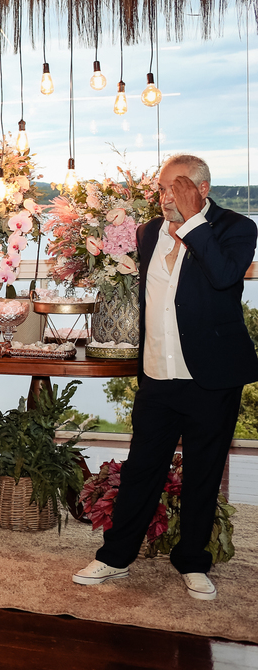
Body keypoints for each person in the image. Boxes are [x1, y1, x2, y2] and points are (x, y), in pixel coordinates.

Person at [74, 154, 258, 602]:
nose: (166, 197)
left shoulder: (237, 228)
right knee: (142, 469)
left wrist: (194, 222)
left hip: (210, 375)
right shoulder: (146, 233)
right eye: (162, 188)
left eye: (176, 188)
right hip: (157, 373)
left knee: (203, 472)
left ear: (201, 189)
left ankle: (192, 561)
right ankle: (115, 556)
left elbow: (224, 277)